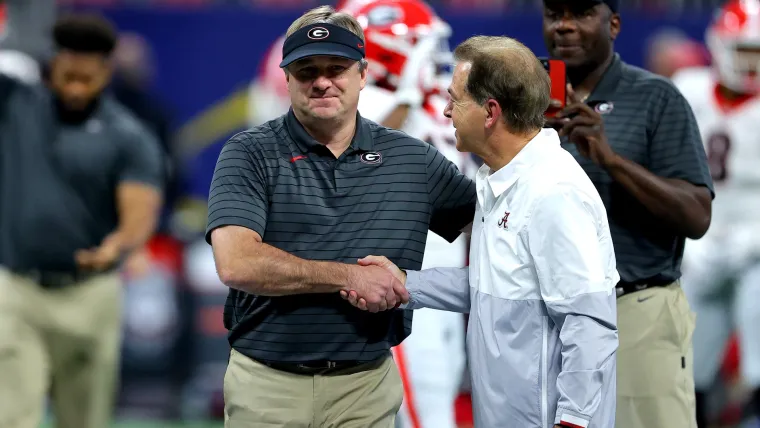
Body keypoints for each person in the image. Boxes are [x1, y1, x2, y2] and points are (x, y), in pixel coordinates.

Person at [205, 5, 476, 428]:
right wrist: (349, 277)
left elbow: (493, 224)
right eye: (307, 70)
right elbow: (236, 262)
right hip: (269, 380)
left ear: (362, 73)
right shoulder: (249, 151)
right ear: (288, 78)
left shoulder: (409, 155)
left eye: (337, 67)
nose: (323, 81)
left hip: (365, 380)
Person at [343, 35, 619, 428]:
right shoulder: (499, 178)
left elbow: (588, 323)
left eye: (455, 100)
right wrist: (405, 283)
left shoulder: (553, 192)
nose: (444, 111)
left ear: (490, 112)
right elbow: (499, 286)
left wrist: (573, 422)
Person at [541, 0, 715, 427]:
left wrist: (612, 160)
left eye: (580, 13)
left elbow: (697, 216)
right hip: (543, 317)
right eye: (553, 14)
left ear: (613, 24)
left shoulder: (656, 97)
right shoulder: (524, 102)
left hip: (634, 309)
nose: (564, 26)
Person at [0, 14, 164, 428]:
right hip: (16, 290)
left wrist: (119, 245)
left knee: (84, 420)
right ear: (52, 65)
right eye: (68, 75)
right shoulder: (15, 103)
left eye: (86, 79)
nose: (75, 87)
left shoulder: (129, 136)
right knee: (10, 416)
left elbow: (138, 214)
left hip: (88, 295)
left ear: (106, 73)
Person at [348, 1, 474, 427]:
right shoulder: (361, 99)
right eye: (419, 43)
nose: (432, 53)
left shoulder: (445, 96)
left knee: (443, 395)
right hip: (402, 280)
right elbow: (361, 156)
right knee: (426, 410)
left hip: (453, 278)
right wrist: (406, 90)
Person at [670, 1, 760, 426]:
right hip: (699, 240)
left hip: (755, 244)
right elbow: (662, 170)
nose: (751, 64)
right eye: (745, 51)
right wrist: (684, 238)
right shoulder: (689, 89)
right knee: (686, 364)